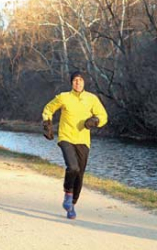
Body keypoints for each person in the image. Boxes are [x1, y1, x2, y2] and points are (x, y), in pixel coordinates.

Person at [42, 71, 108, 219]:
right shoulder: (64, 97)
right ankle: (67, 193)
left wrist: (95, 121)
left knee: (80, 173)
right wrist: (47, 124)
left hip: (83, 140)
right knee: (72, 167)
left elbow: (103, 116)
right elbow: (48, 109)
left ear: (84, 82)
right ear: (71, 83)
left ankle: (72, 204)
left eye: (80, 80)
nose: (78, 83)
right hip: (66, 137)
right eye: (75, 80)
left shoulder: (91, 99)